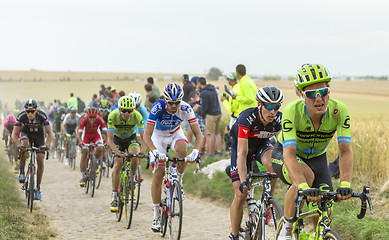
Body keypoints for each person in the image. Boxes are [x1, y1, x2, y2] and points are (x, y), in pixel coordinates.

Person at [272, 64, 353, 240]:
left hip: (318, 158)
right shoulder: (292, 111)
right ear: (300, 94)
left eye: (323, 92)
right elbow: (290, 154)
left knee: (325, 209)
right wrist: (302, 186)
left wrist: (345, 184)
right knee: (306, 177)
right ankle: (285, 229)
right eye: (311, 94)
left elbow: (345, 151)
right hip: (285, 155)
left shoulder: (339, 111)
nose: (318, 99)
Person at [143, 83, 203, 232]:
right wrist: (154, 151)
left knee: (183, 149)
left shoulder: (186, 108)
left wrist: (195, 151)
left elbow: (199, 136)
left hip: (175, 134)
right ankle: (156, 215)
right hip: (157, 137)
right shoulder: (157, 107)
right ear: (165, 101)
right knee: (159, 173)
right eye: (171, 103)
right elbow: (146, 135)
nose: (174, 106)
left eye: (177, 103)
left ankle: (179, 183)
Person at [229, 87, 284, 240]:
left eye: (277, 107)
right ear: (260, 104)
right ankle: (234, 235)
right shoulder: (247, 118)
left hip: (261, 145)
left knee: (274, 165)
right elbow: (241, 153)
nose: (273, 111)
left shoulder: (279, 120)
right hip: (241, 147)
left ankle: (267, 203)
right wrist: (243, 180)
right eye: (269, 107)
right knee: (240, 195)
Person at [107, 96, 146, 212]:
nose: (126, 114)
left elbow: (144, 138)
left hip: (130, 138)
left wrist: (142, 152)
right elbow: (109, 140)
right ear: (119, 110)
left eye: (129, 111)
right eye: (124, 111)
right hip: (117, 139)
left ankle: (131, 179)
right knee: (118, 163)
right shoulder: (112, 116)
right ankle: (114, 196)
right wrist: (117, 152)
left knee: (135, 155)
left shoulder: (137, 116)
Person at [12, 99, 53, 200]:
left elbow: (50, 133)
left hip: (39, 136)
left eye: (32, 111)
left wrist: (47, 144)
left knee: (40, 160)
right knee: (24, 145)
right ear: (25, 111)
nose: (30, 114)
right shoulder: (21, 116)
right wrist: (18, 145)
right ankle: (21, 171)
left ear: (36, 110)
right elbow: (14, 134)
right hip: (26, 134)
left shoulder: (42, 116)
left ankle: (38, 188)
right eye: (28, 111)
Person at [77, 107, 108, 187]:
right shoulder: (83, 120)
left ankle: (95, 162)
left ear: (96, 116)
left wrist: (107, 141)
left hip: (95, 135)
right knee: (84, 152)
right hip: (86, 135)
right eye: (90, 117)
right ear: (87, 116)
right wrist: (80, 141)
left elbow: (105, 131)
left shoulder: (100, 119)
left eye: (94, 118)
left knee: (100, 148)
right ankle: (82, 176)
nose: (91, 120)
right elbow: (79, 133)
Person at [196, 77, 222, 156]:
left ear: (200, 83)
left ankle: (210, 154)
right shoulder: (212, 89)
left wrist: (198, 109)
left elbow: (205, 107)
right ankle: (219, 152)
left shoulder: (204, 93)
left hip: (211, 115)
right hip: (218, 113)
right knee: (217, 134)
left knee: (210, 134)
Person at [182, 74, 197, 147]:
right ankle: (191, 142)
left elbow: (183, 97)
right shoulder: (191, 85)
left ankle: (189, 143)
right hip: (193, 106)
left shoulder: (185, 86)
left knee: (188, 126)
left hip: (188, 106)